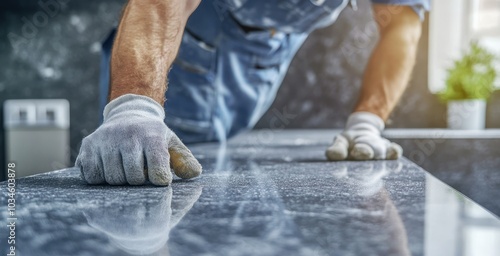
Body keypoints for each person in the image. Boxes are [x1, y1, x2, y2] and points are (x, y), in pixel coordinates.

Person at [75, 0, 430, 186]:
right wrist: (135, 103)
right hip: (172, 54)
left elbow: (401, 23)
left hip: (259, 66)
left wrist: (368, 121)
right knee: (137, 172)